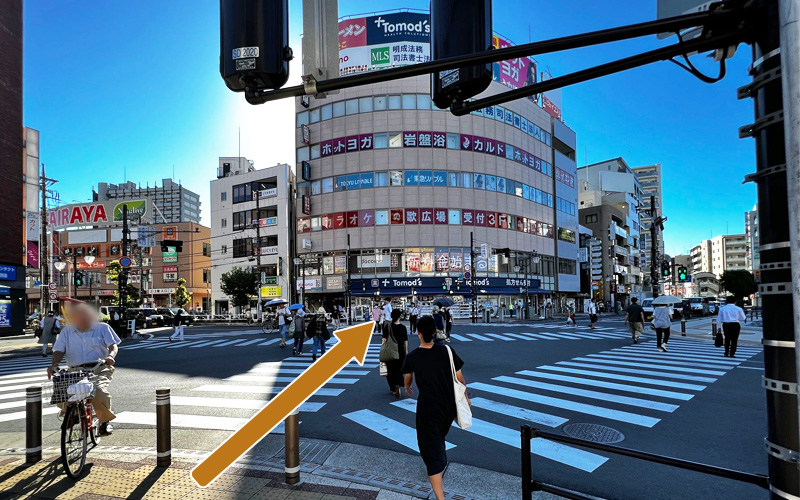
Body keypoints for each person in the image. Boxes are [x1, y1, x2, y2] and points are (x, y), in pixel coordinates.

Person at [402, 315, 469, 500]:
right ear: (434, 332)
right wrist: (466, 397)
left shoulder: (413, 356)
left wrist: (408, 386)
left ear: (419, 333)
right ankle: (438, 458)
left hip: (428, 408)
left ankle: (440, 497)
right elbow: (460, 377)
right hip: (448, 406)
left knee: (430, 449)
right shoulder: (446, 350)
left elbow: (408, 377)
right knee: (438, 436)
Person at [47, 303, 120, 437]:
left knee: (98, 391)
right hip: (75, 370)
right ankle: (73, 413)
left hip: (99, 368)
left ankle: (105, 421)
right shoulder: (66, 332)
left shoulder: (103, 328)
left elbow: (113, 346)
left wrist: (110, 356)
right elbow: (58, 350)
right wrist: (54, 365)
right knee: (62, 390)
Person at [382, 309, 409, 398]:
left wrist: (383, 349)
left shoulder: (388, 326)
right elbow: (405, 341)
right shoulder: (403, 327)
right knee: (399, 369)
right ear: (399, 316)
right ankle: (398, 384)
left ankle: (393, 388)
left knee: (390, 370)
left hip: (390, 351)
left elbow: (384, 340)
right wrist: (406, 351)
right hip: (400, 351)